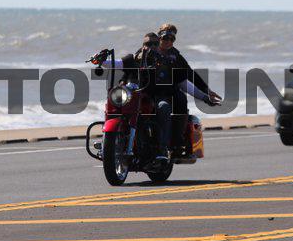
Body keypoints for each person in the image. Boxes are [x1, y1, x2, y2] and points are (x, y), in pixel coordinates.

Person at [91, 33, 215, 165]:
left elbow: (183, 83)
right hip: (133, 98)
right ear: (143, 45)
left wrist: (204, 97)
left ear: (158, 45)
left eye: (155, 44)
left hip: (156, 98)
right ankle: (109, 142)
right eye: (148, 44)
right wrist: (98, 59)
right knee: (115, 102)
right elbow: (114, 63)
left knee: (164, 107)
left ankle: (162, 149)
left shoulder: (166, 62)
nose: (151, 47)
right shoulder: (133, 59)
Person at [155, 23, 222, 157]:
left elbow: (190, 74)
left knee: (179, 99)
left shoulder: (175, 56)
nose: (168, 41)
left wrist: (206, 91)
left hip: (166, 93)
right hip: (147, 92)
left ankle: (176, 143)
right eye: (166, 37)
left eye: (172, 39)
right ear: (159, 37)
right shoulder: (147, 51)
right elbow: (129, 64)